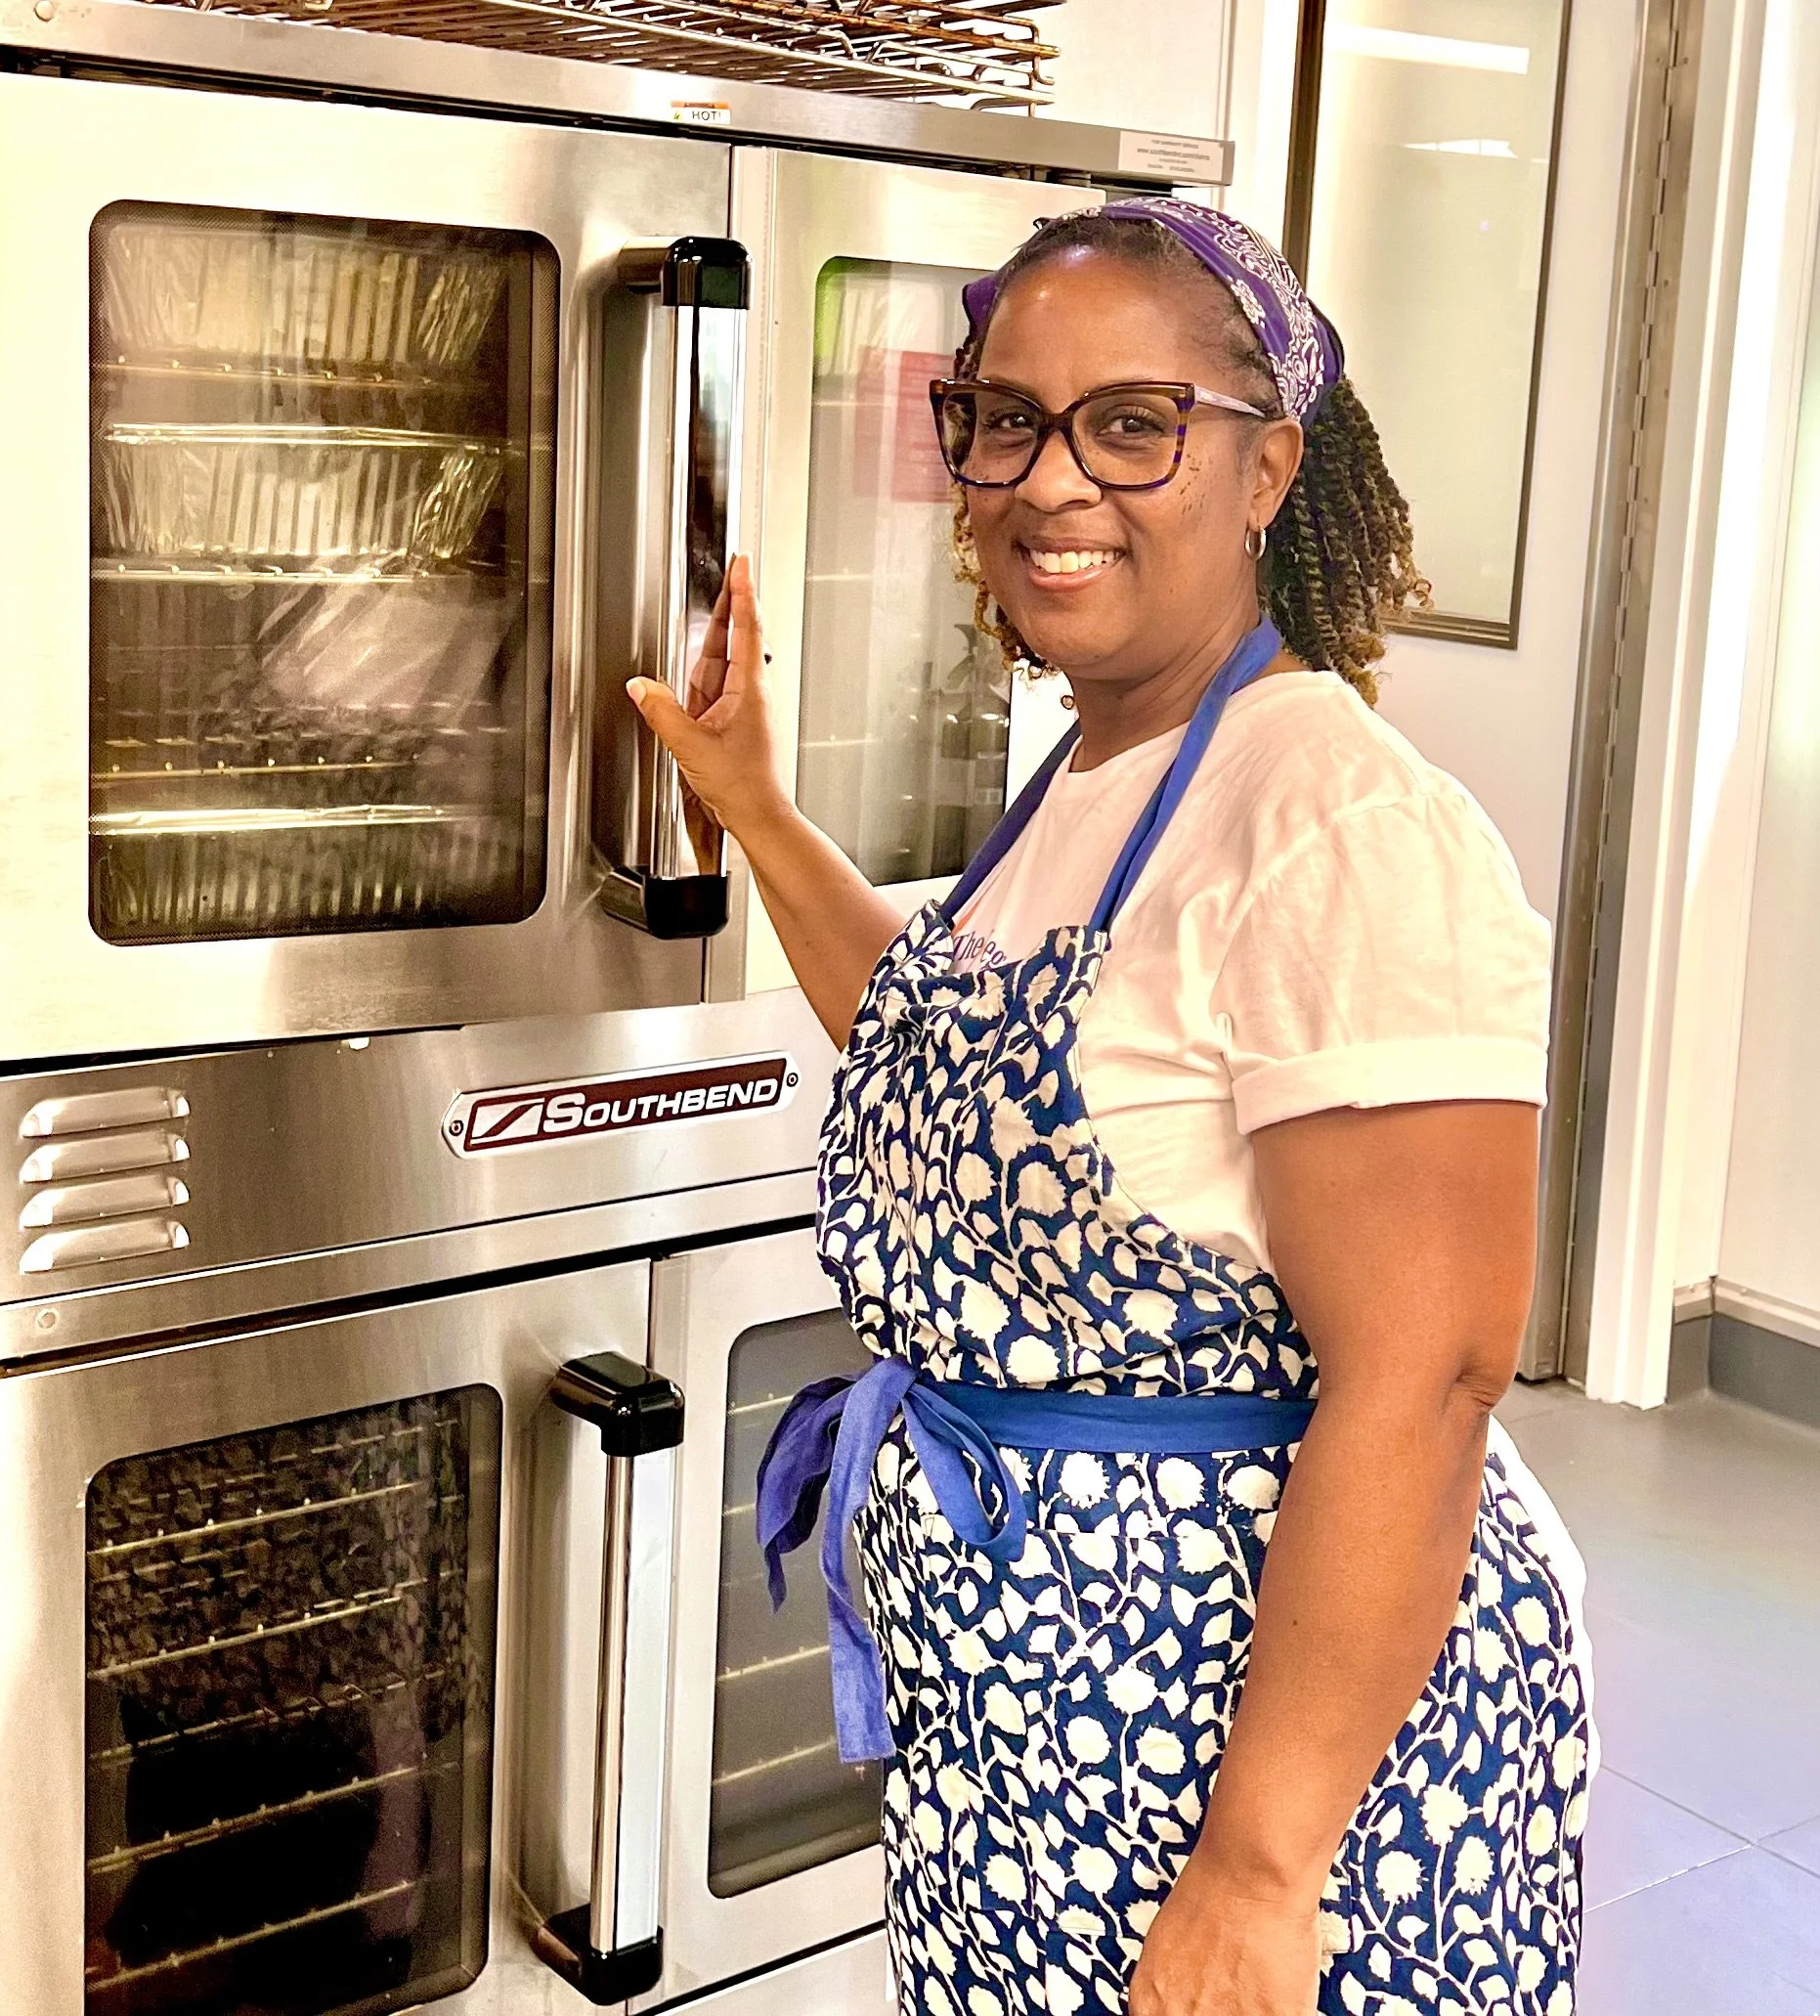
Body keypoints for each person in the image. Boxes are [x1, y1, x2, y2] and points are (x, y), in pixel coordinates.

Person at [628, 197, 1591, 2016]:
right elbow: (934, 1043)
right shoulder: (1096, 760)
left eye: (1130, 423)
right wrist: (754, 807)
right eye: (1004, 418)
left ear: (1264, 467)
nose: (1048, 480)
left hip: (1252, 1759)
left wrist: (1259, 1867)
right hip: (1034, 1735)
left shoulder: (1333, 823)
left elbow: (1430, 1373)